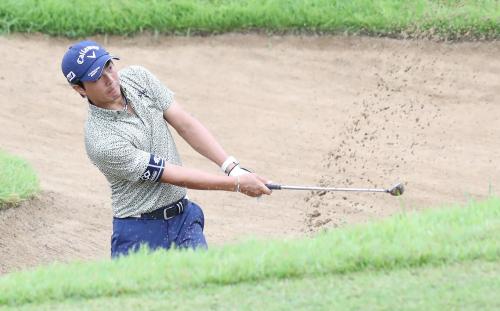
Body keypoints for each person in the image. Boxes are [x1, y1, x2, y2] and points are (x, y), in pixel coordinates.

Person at [61, 40, 272, 258]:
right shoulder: (101, 140)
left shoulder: (138, 78)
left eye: (109, 66)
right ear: (79, 88)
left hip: (184, 220)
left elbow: (184, 123)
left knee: (203, 286)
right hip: (139, 232)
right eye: (97, 77)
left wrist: (232, 168)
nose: (110, 79)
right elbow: (172, 174)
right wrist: (237, 185)